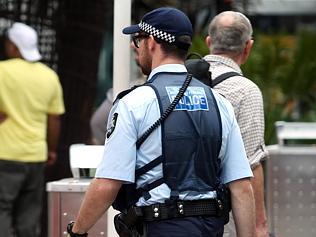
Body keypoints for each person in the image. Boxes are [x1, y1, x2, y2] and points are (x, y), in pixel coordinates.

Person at [68, 7, 255, 237]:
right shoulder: (219, 103)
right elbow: (242, 187)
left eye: (138, 39)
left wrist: (77, 231)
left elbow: (107, 184)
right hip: (210, 228)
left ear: (153, 42)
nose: (133, 46)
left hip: (159, 227)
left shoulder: (134, 103)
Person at [204, 11, 269, 237]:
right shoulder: (246, 91)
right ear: (248, 47)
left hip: (175, 216)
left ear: (209, 42)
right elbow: (251, 163)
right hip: (225, 220)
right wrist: (259, 226)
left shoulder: (181, 81)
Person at [0, 22, 65, 237]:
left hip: (5, 154)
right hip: (36, 154)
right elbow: (54, 118)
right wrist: (51, 150)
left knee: (2, 209)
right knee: (29, 216)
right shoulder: (49, 76)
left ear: (14, 47)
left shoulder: (2, 71)